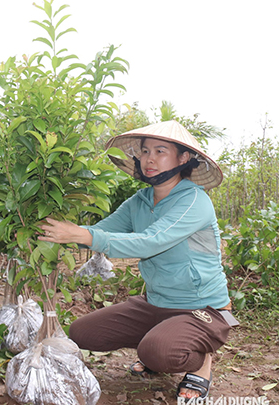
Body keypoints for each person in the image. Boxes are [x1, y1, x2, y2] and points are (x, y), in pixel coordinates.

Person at [38, 120, 234, 402]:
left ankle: (201, 363)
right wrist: (58, 233)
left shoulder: (194, 201)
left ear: (183, 158)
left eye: (160, 151)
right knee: (83, 332)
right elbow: (103, 230)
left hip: (202, 308)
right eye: (144, 151)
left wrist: (85, 236)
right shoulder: (139, 201)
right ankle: (160, 341)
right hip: (156, 303)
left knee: (158, 352)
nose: (149, 159)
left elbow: (151, 240)